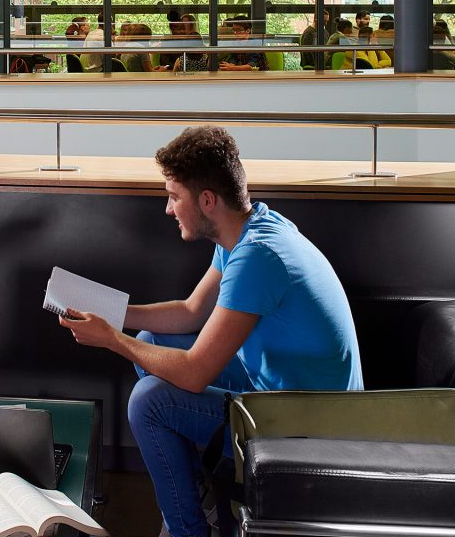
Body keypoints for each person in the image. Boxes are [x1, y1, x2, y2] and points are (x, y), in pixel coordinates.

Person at [58, 126, 362, 537]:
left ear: (206, 200)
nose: (168, 208)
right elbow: (190, 312)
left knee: (149, 402)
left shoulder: (258, 257)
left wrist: (112, 340)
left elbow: (196, 371)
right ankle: (190, 492)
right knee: (152, 342)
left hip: (307, 418)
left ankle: (187, 529)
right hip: (283, 386)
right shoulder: (247, 228)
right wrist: (112, 314)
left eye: (174, 196)